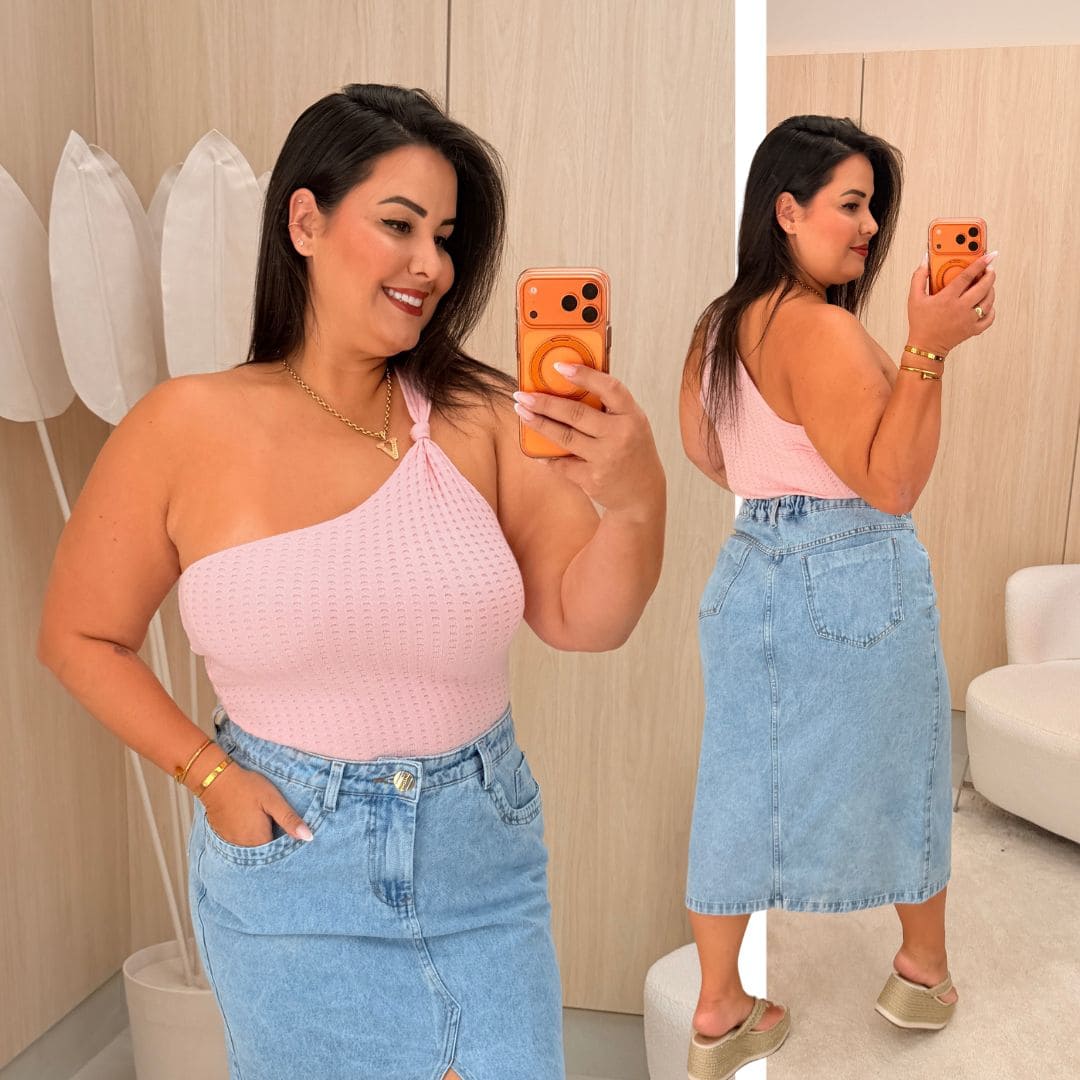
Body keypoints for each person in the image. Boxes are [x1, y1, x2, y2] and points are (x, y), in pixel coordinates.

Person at [38, 83, 666, 1080]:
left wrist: (635, 500)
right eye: (399, 225)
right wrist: (211, 779)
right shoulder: (183, 425)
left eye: (446, 238)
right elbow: (79, 636)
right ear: (306, 222)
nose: (432, 264)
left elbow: (584, 620)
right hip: (294, 870)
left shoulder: (484, 417)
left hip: (479, 865)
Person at [678, 114, 996, 1079]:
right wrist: (927, 349)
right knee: (909, 762)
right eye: (851, 205)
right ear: (787, 210)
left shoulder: (719, 325)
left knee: (738, 783)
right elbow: (891, 484)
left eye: (873, 209)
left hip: (748, 567)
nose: (868, 228)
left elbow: (707, 452)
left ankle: (721, 1007)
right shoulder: (821, 327)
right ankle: (922, 971)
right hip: (852, 570)